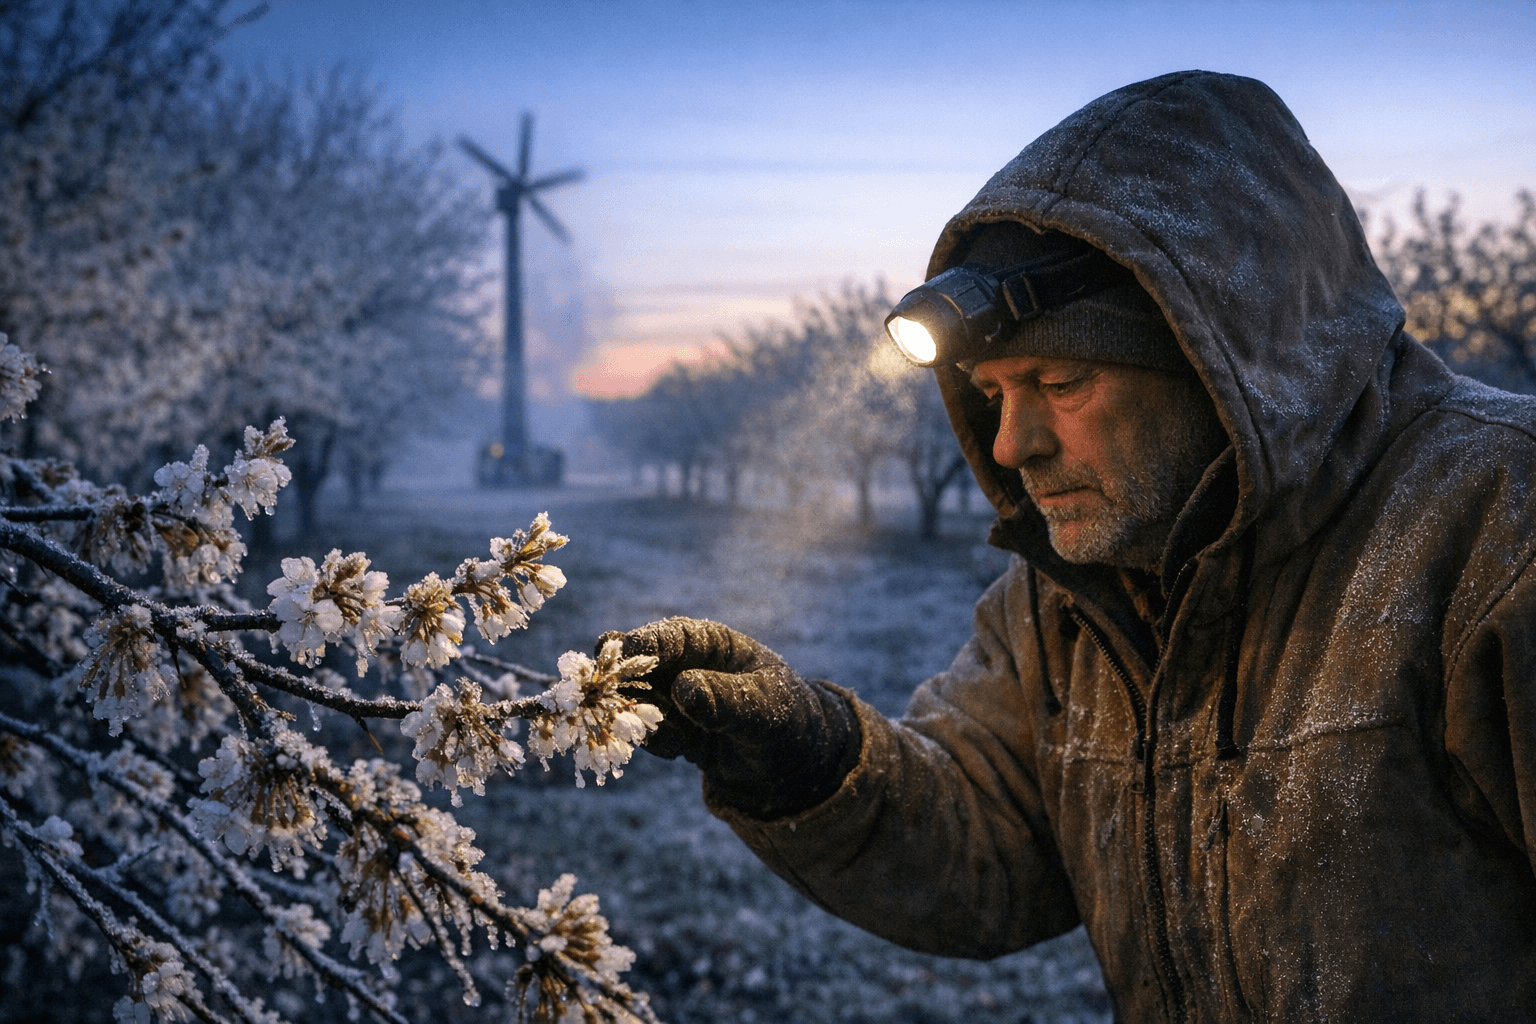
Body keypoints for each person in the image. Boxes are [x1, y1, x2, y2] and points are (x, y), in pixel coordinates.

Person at [607, 71, 1536, 1021]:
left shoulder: (1499, 528)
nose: (1012, 445)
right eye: (993, 393)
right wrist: (807, 755)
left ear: (1223, 363)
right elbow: (989, 836)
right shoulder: (1071, 598)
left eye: (1060, 382)